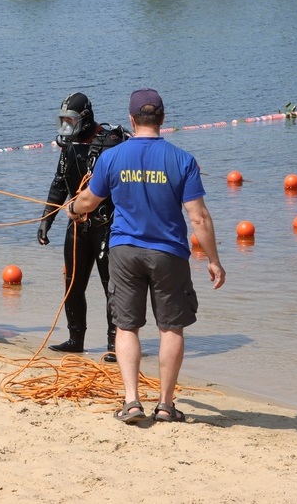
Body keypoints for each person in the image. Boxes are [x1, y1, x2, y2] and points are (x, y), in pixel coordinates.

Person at [67, 88, 225, 424]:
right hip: (169, 253)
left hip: (125, 252)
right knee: (171, 329)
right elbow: (198, 217)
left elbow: (88, 202)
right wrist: (213, 260)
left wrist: (73, 209)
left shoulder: (112, 157)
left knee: (126, 327)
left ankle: (132, 402)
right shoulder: (182, 159)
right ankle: (166, 405)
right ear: (163, 119)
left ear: (131, 120)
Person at [37, 92, 130, 362]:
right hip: (77, 225)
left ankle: (115, 344)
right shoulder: (69, 145)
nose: (67, 126)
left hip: (107, 226)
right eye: (63, 120)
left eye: (71, 120)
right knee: (73, 285)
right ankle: (75, 339)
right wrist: (47, 220)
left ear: (85, 118)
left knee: (111, 286)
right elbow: (58, 184)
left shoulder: (111, 143)